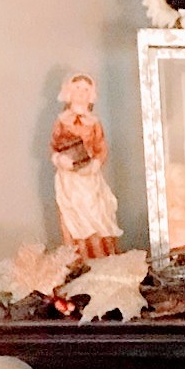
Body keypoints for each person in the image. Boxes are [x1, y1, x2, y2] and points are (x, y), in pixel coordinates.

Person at [50, 73, 122, 259]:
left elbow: (101, 147)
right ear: (69, 92)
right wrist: (59, 159)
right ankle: (79, 257)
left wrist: (95, 164)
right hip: (69, 179)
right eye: (77, 88)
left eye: (85, 89)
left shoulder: (94, 123)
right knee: (73, 215)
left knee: (95, 213)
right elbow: (53, 146)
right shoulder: (61, 121)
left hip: (88, 178)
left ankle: (99, 255)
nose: (81, 93)